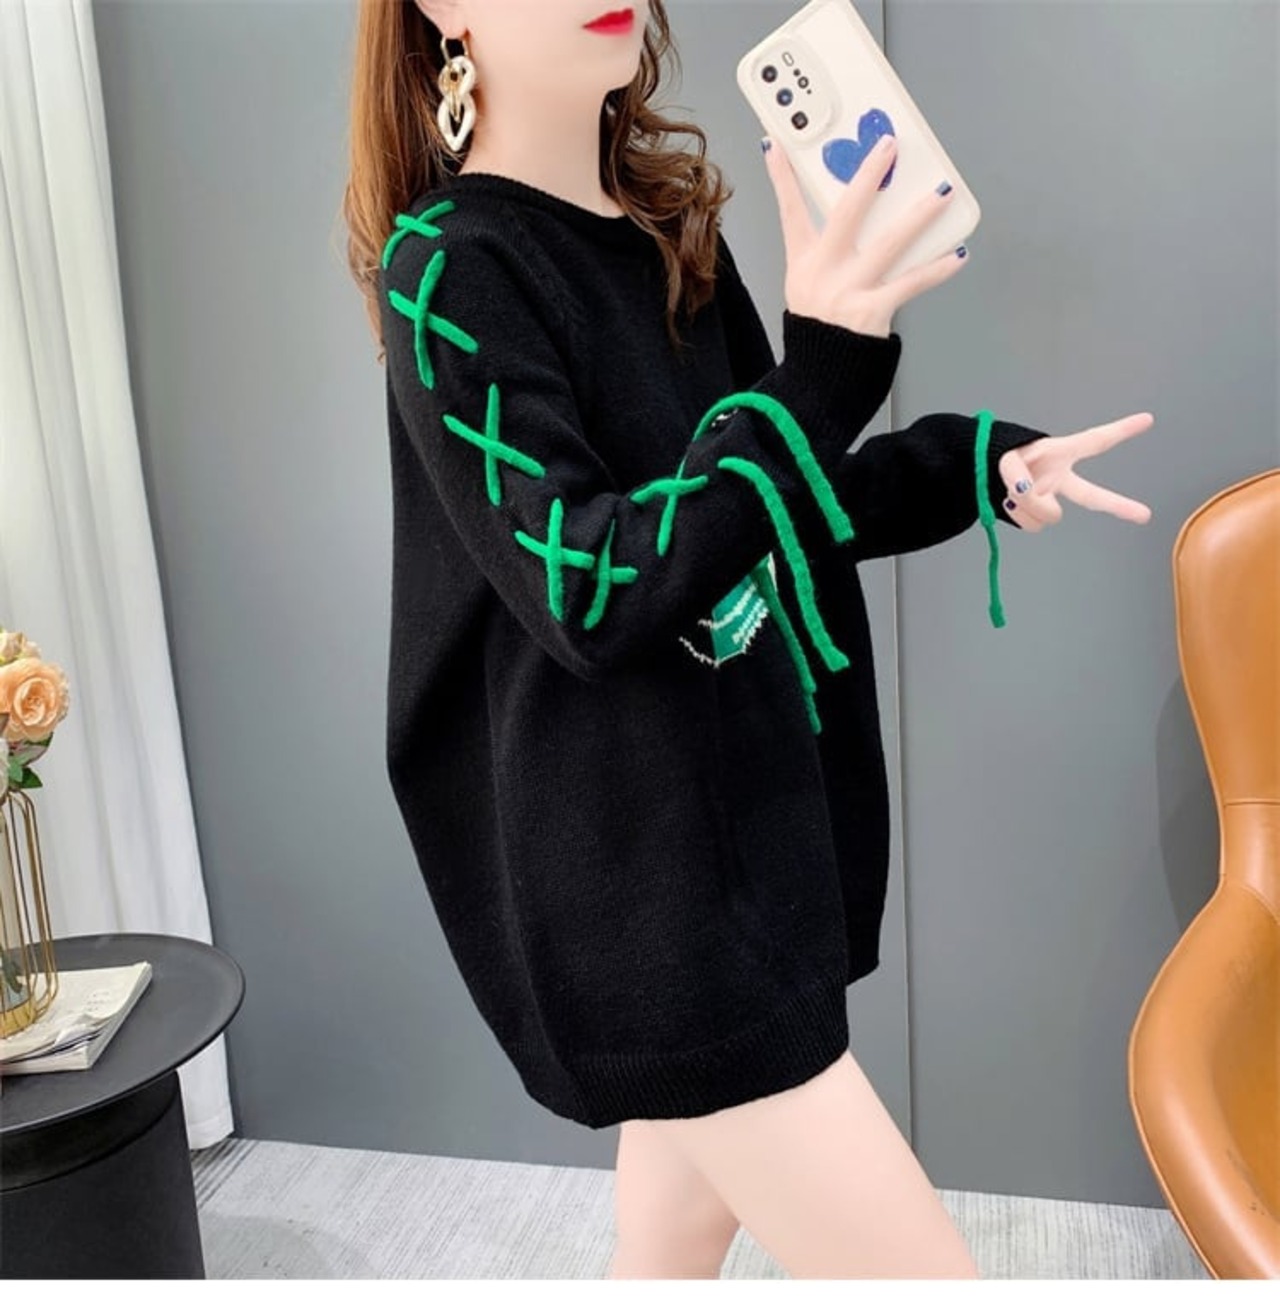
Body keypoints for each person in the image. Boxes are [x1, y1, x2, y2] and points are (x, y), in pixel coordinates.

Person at [342, 0, 1155, 1280]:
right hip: (643, 899)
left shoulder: (668, 236)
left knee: (668, 1248)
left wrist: (972, 467)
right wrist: (822, 367)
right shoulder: (447, 271)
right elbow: (591, 586)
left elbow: (754, 515)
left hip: (751, 837)